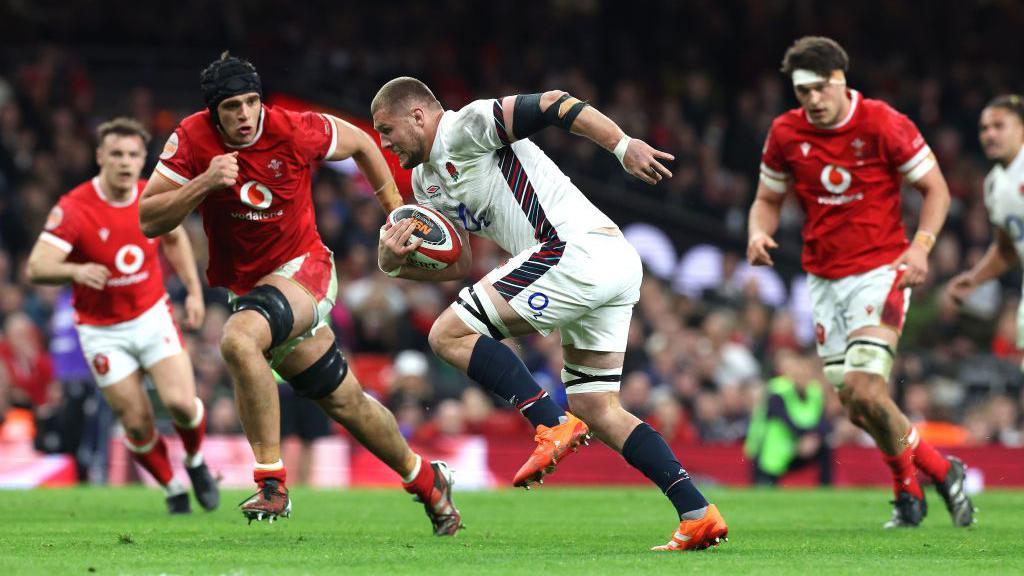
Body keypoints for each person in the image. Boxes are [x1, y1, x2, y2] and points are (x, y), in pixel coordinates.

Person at [371, 77, 727, 551]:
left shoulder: (468, 126)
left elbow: (557, 103)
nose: (383, 142)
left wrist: (622, 146)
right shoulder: (426, 181)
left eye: (386, 129)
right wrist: (397, 263)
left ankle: (546, 420)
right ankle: (697, 511)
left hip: (572, 251)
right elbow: (456, 262)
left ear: (418, 115)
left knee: (446, 336)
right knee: (597, 408)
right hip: (602, 262)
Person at [138, 52, 461, 534]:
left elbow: (362, 144)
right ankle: (427, 480)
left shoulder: (291, 128)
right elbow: (148, 219)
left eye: (252, 103)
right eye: (232, 107)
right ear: (213, 112)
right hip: (251, 289)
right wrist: (203, 183)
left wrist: (395, 209)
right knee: (345, 403)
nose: (246, 115)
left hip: (305, 268)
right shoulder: (190, 139)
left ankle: (271, 482)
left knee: (237, 339)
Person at [746, 36, 973, 527]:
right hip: (823, 280)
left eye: (819, 88)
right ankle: (908, 491)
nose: (811, 100)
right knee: (855, 404)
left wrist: (921, 246)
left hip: (881, 271)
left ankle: (939, 470)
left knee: (867, 391)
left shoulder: (882, 122)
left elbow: (935, 189)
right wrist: (758, 232)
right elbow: (767, 198)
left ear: (840, 80)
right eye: (802, 91)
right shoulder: (786, 133)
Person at [26, 117, 218, 514]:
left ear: (142, 158)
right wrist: (75, 270)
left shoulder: (150, 197)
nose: (125, 162)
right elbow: (36, 267)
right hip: (101, 331)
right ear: (100, 157)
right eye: (116, 153)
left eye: (133, 154)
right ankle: (170, 487)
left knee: (182, 404)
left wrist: (194, 291)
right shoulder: (75, 208)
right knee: (135, 423)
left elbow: (175, 236)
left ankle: (196, 462)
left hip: (151, 315)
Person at [744, 352, 831, 486]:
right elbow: (785, 419)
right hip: (768, 449)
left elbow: (824, 420)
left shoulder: (815, 391)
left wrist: (814, 437)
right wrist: (806, 437)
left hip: (796, 446)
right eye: (799, 373)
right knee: (764, 487)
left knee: (825, 448)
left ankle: (826, 487)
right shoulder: (777, 390)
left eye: (806, 374)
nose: (802, 377)